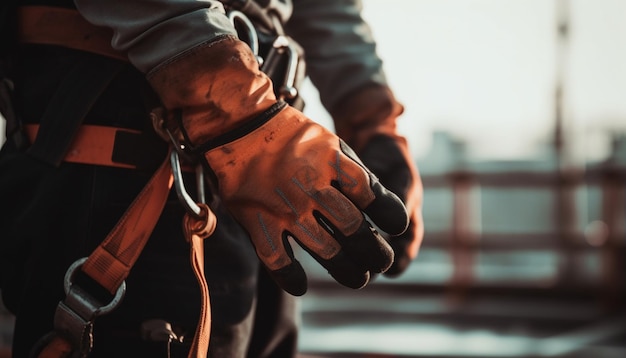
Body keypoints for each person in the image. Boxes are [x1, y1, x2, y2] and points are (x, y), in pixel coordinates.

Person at [0, 0, 424, 357]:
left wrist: (371, 121)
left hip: (267, 157)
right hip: (127, 139)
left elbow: (325, 10)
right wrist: (227, 99)